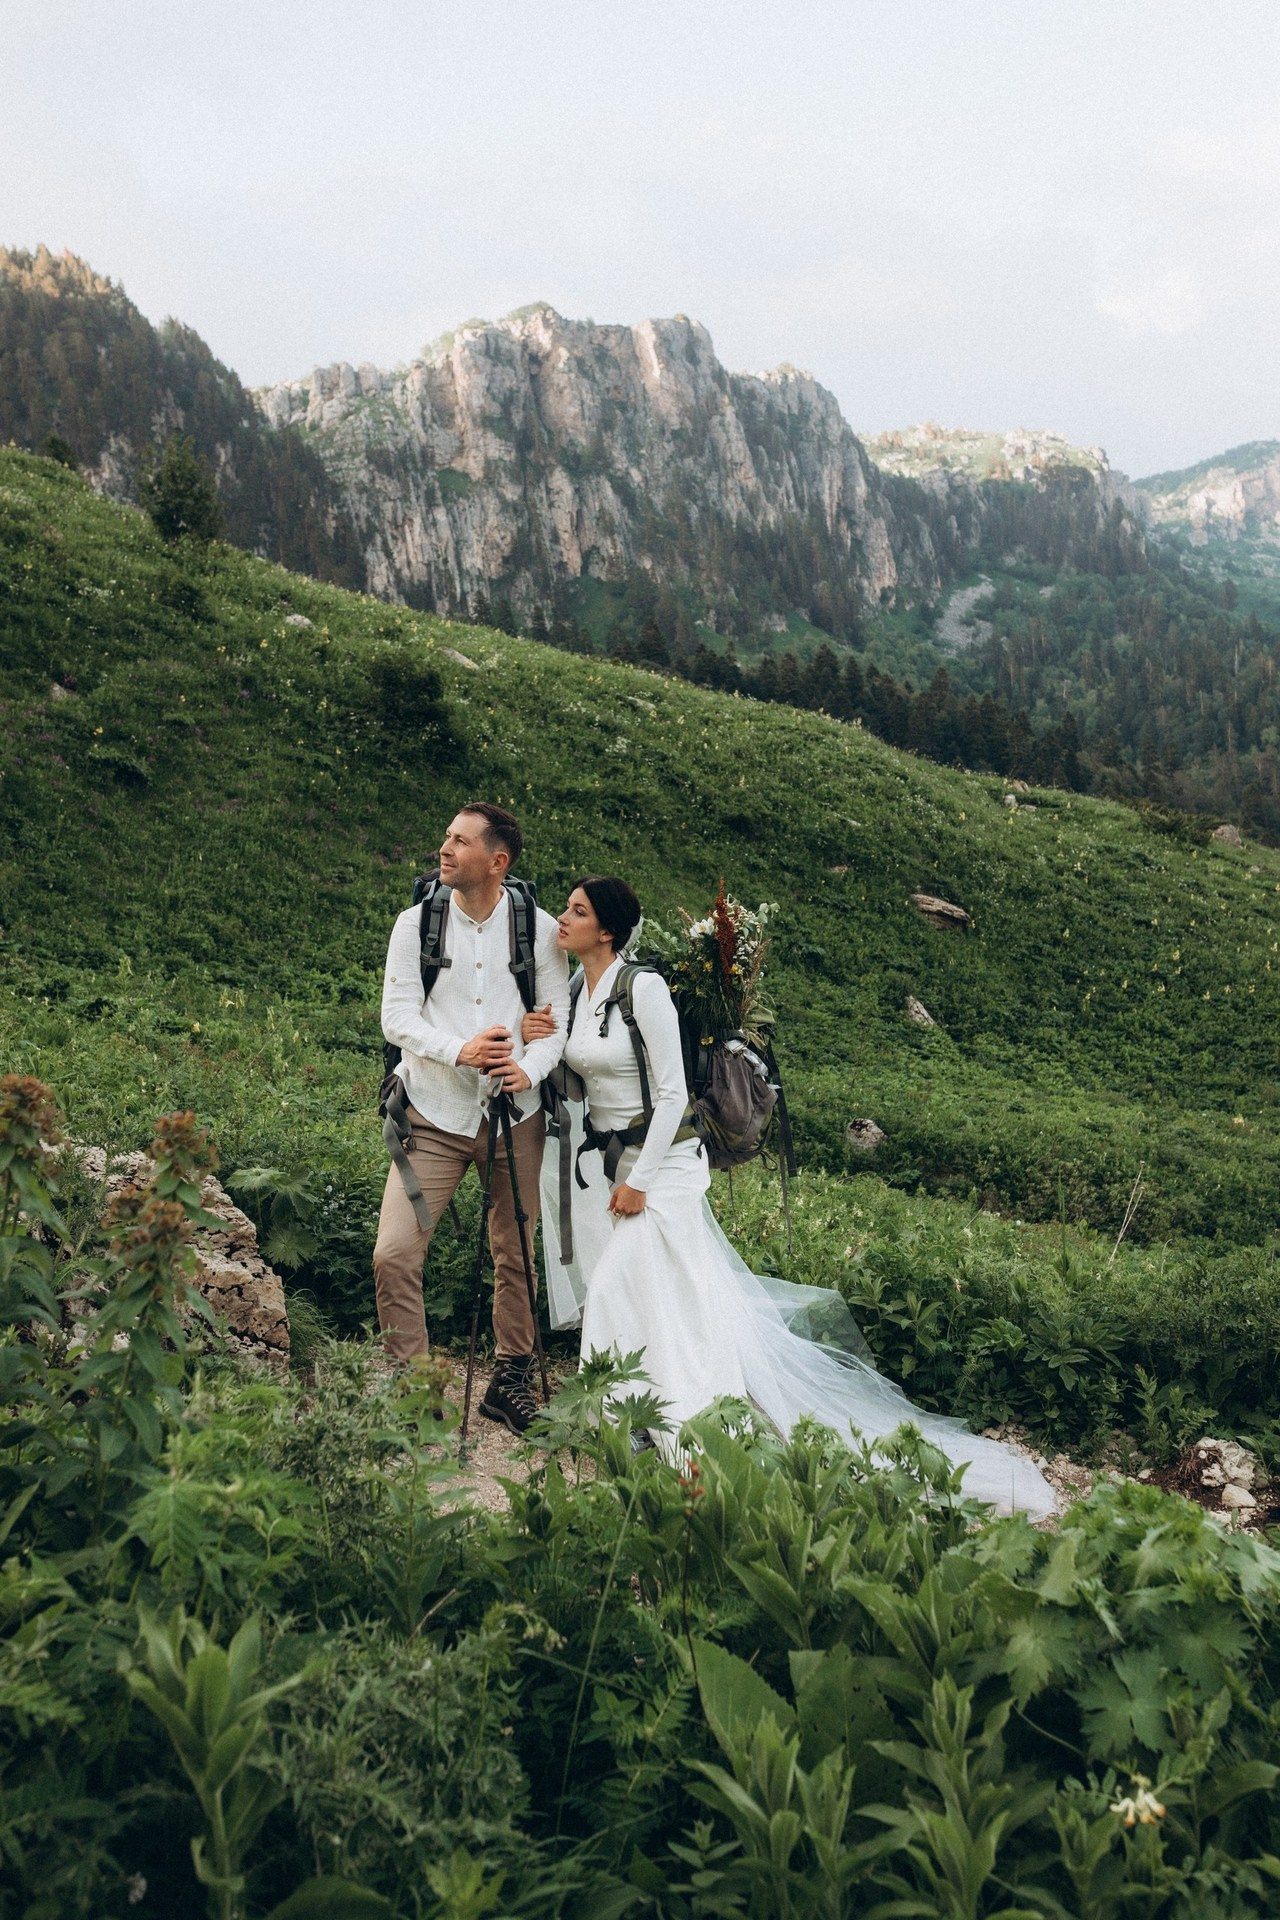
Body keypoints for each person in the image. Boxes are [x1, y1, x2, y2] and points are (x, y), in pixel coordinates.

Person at [527, 875, 1056, 1517]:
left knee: (612, 1286)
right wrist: (538, 1040)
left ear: (607, 930)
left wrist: (641, 1182)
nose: (563, 918)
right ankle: (667, 1419)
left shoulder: (645, 989)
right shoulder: (578, 991)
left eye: (578, 911)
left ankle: (653, 1428)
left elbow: (671, 1093)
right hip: (621, 1165)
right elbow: (583, 1080)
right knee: (669, 1297)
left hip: (666, 1168)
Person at [374, 803, 570, 1432]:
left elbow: (556, 1023)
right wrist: (461, 1050)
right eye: (447, 837)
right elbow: (396, 1018)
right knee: (394, 1253)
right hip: (431, 1112)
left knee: (516, 1255)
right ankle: (416, 1389)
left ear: (497, 860)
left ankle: (509, 1381)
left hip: (516, 1116)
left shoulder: (539, 930)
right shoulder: (416, 924)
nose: (445, 848)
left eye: (460, 841)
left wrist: (528, 1070)